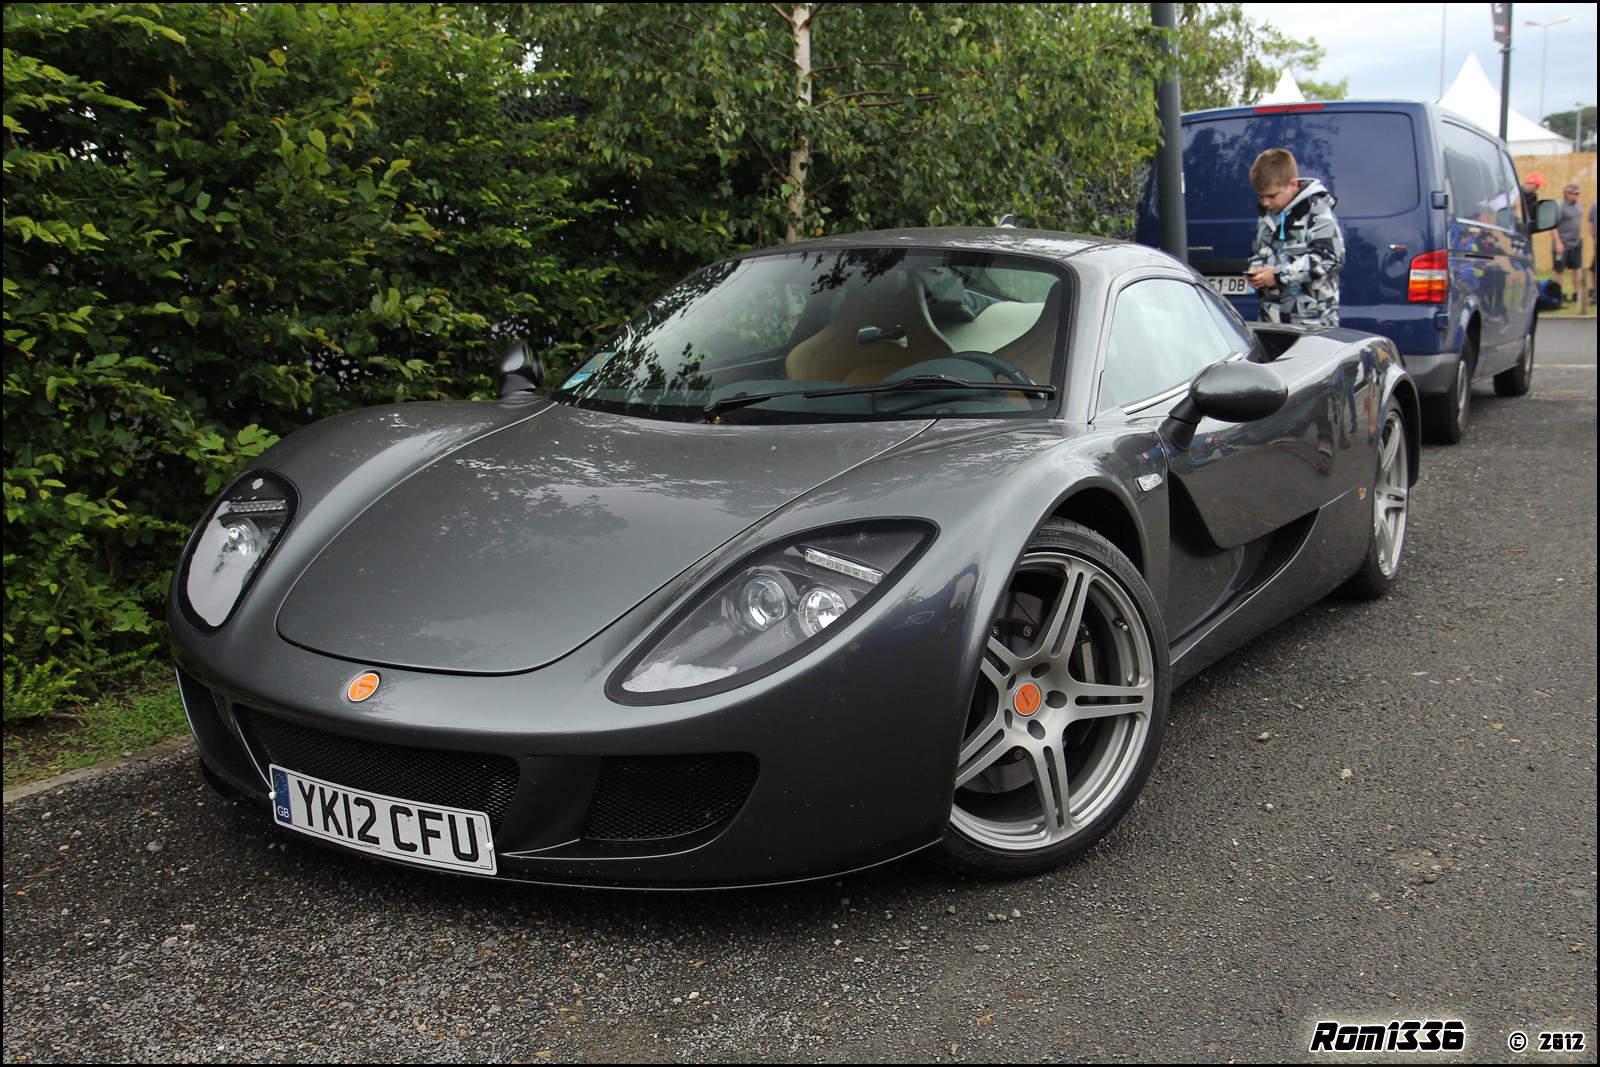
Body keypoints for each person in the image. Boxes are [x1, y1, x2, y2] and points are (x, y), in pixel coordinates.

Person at [1243, 148, 1345, 327]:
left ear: (1293, 185)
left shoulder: (1317, 211)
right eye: (1260, 196)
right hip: (1272, 321)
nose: (1265, 203)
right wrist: (1257, 271)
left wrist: (1278, 275)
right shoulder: (1266, 216)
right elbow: (1258, 253)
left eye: (1272, 196)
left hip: (1313, 323)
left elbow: (1329, 258)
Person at [1553, 183, 1584, 301]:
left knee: (1576, 268)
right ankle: (1559, 294)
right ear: (1567, 195)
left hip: (1576, 242)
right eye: (1576, 194)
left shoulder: (1578, 205)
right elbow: (1554, 226)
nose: (1578, 196)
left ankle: (1576, 293)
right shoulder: (1560, 207)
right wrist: (1558, 243)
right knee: (1559, 270)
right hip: (1563, 243)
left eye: (1579, 193)